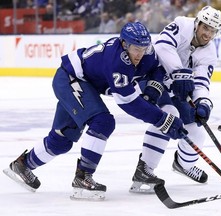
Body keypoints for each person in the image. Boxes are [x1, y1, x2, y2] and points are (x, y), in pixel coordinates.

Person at [3, 22, 187, 201]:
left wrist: (153, 88)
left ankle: (22, 165)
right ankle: (83, 177)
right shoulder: (117, 61)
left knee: (62, 139)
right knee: (103, 122)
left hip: (84, 84)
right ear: (124, 44)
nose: (140, 53)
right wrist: (163, 120)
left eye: (144, 48)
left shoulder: (146, 52)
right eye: (135, 48)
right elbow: (128, 102)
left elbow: (156, 69)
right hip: (70, 79)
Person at [130, 6, 221, 193]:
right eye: (206, 28)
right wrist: (179, 72)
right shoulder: (182, 24)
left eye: (213, 31)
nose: (208, 34)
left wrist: (203, 102)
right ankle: (144, 170)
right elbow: (162, 45)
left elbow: (201, 82)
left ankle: (184, 165)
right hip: (153, 76)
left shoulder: (209, 53)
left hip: (177, 86)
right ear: (197, 23)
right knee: (168, 116)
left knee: (196, 131)